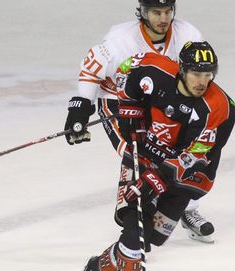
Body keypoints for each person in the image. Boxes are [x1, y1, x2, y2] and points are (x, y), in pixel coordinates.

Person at [69, 41, 235, 271]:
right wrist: (131, 110)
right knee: (134, 232)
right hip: (143, 158)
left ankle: (94, 268)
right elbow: (125, 72)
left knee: (150, 240)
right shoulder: (154, 69)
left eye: (209, 75)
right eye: (196, 73)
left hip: (185, 177)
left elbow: (195, 155)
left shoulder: (218, 107)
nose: (202, 81)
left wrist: (156, 180)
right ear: (182, 70)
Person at [63, 0, 216, 243]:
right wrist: (81, 106)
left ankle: (186, 209)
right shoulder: (120, 39)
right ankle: (133, 220)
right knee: (136, 154)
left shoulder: (188, 34)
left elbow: (200, 70)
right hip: (119, 100)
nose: (163, 19)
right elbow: (92, 69)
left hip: (158, 100)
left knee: (183, 152)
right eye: (156, 12)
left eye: (167, 12)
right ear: (143, 13)